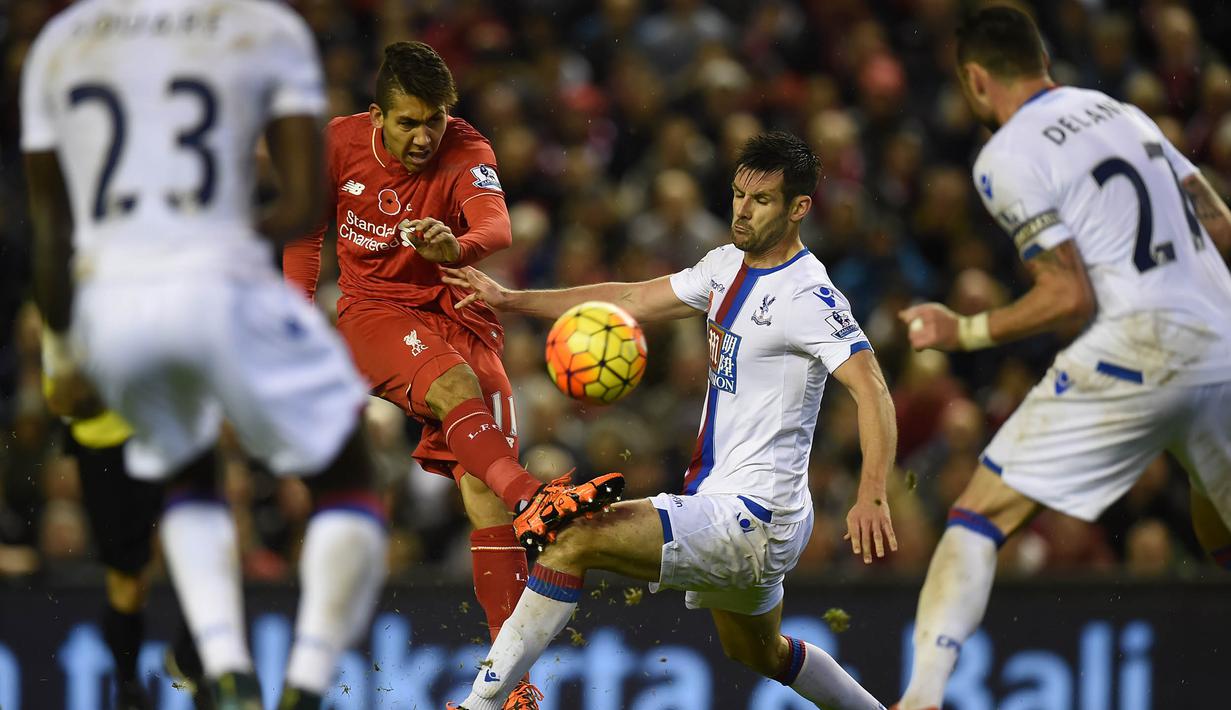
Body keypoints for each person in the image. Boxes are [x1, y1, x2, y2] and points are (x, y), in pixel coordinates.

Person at [442, 132, 898, 710]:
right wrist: (512, 300)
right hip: (742, 510)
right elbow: (631, 299)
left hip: (753, 516)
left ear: (798, 208)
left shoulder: (809, 296)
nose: (742, 210)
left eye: (761, 201)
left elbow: (872, 388)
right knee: (761, 653)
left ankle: (483, 704)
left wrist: (872, 492)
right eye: (738, 194)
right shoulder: (725, 265)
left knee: (573, 538)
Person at [22, 1, 390, 707]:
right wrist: (218, 244)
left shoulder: (61, 43)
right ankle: (307, 681)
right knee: (349, 474)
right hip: (219, 279)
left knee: (187, 464)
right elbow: (301, 203)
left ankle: (227, 670)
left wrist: (64, 352)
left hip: (111, 307)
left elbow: (52, 229)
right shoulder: (261, 27)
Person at [892, 7, 1231, 710]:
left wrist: (964, 330)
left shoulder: (1006, 153)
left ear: (976, 80)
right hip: (1221, 336)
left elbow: (1067, 294)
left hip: (1138, 341)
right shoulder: (1124, 114)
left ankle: (921, 698)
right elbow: (1220, 224)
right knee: (1210, 498)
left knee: (977, 516)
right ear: (1042, 60)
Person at [282, 41, 624, 708]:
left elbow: (496, 227)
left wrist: (455, 245)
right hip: (374, 311)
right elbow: (303, 238)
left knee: (481, 488)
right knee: (457, 392)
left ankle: (513, 688)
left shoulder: (468, 147)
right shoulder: (337, 144)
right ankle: (534, 497)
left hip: (459, 310)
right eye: (408, 122)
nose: (423, 136)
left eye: (434, 120)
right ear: (377, 116)